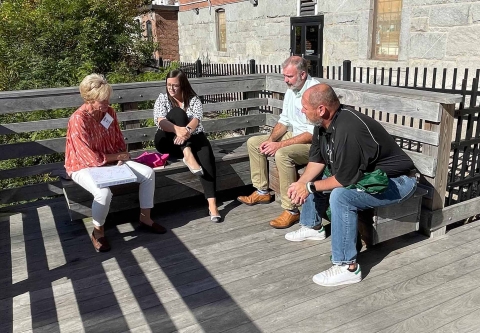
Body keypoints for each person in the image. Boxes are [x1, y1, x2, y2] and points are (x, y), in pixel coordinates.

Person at [288, 84, 417, 286]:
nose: (301, 110)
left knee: (341, 196)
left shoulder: (348, 129)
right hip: (368, 178)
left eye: (304, 106)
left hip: (397, 181)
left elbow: (343, 180)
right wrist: (301, 183)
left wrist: (310, 187)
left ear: (321, 109)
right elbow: (317, 161)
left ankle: (347, 266)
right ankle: (312, 225)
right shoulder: (322, 125)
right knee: (313, 179)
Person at [65, 74, 166, 253]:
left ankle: (145, 218)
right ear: (89, 99)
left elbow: (118, 140)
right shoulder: (78, 119)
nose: (106, 103)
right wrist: (117, 157)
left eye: (107, 99)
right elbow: (89, 158)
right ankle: (98, 232)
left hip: (111, 161)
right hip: (81, 165)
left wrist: (121, 156)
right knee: (103, 194)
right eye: (102, 100)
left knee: (148, 174)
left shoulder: (109, 112)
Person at [237, 56, 319, 229]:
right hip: (294, 134)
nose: (285, 80)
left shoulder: (314, 92)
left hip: (313, 143)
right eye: (284, 76)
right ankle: (262, 191)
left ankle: (291, 209)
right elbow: (284, 121)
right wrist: (270, 141)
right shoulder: (292, 90)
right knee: (254, 142)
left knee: (282, 154)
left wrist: (280, 145)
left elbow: (313, 133)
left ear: (303, 74)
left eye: (289, 76)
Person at [153, 69, 221, 222]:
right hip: (166, 141)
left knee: (206, 150)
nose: (171, 89)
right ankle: (188, 152)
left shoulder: (193, 99)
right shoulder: (162, 99)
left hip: (190, 137)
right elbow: (161, 121)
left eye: (175, 85)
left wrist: (187, 131)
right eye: (168, 85)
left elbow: (197, 120)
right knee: (177, 113)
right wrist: (179, 130)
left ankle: (212, 204)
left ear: (182, 85)